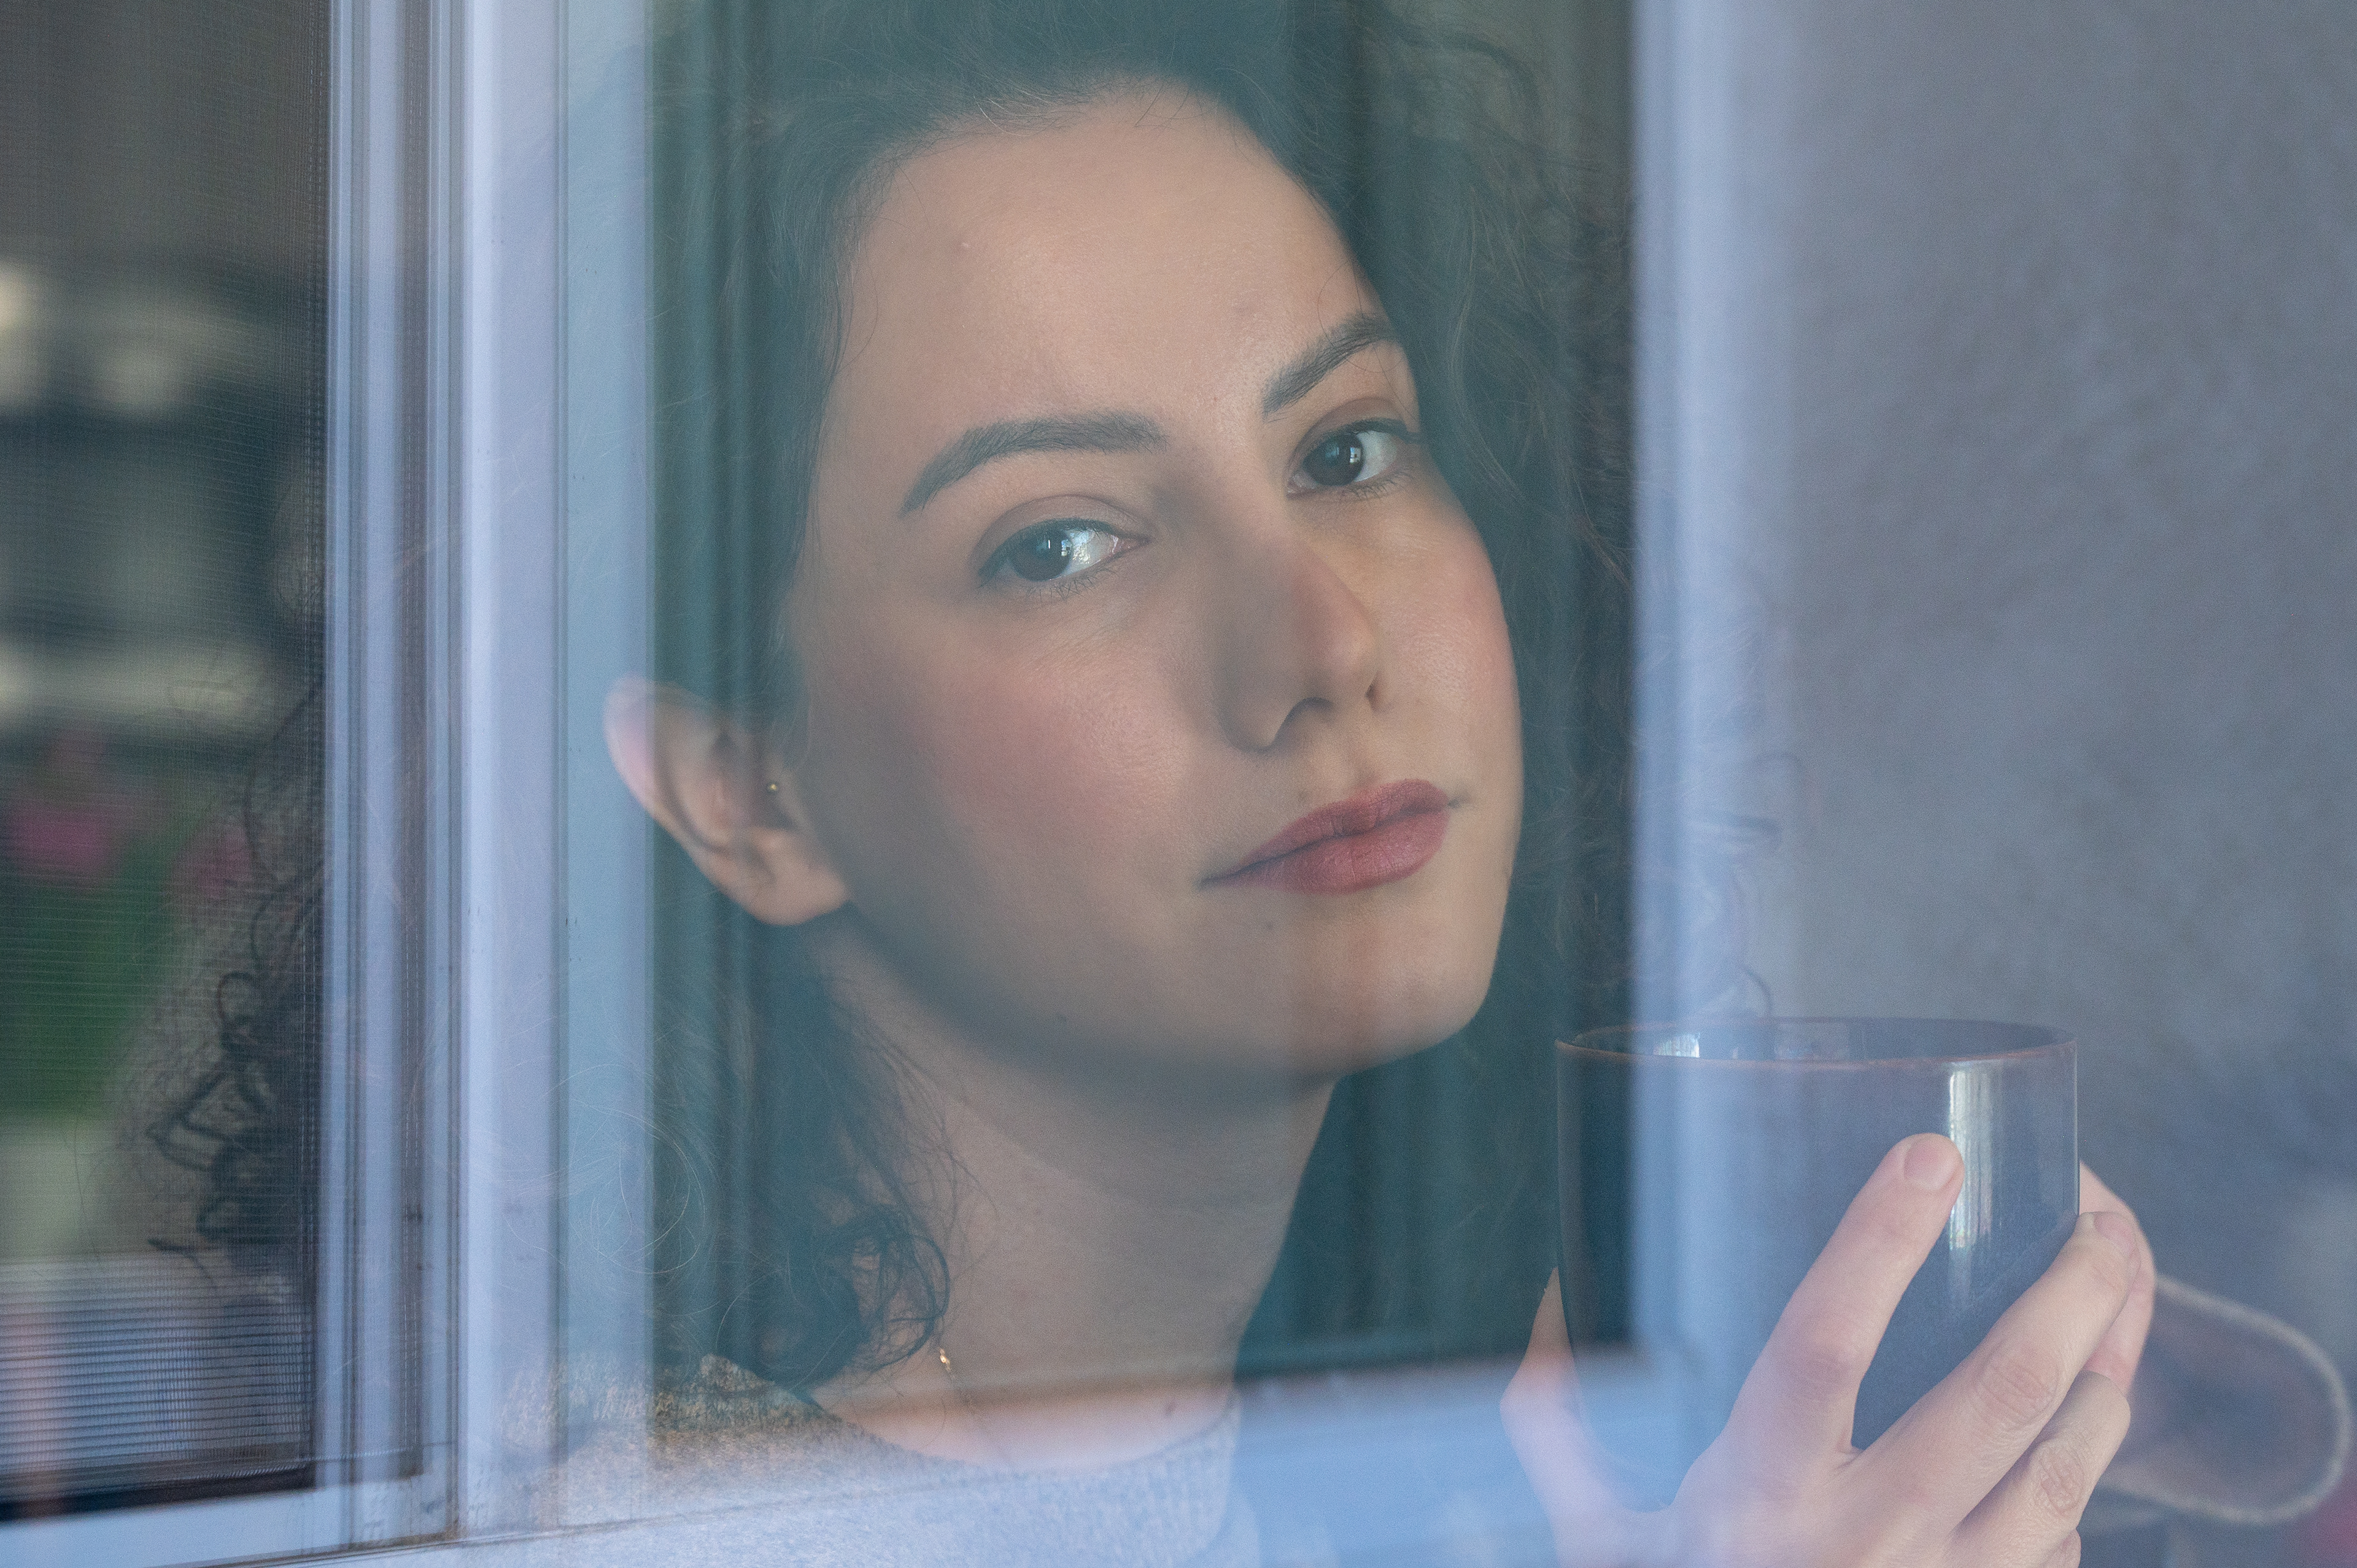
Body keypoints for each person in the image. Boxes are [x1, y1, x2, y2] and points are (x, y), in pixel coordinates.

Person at [162, 0, 2346, 1561]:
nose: (1321, 640)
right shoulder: (616, 1518)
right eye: (1060, 543)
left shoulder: (1468, 1443)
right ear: (747, 792)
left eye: (1350, 447)